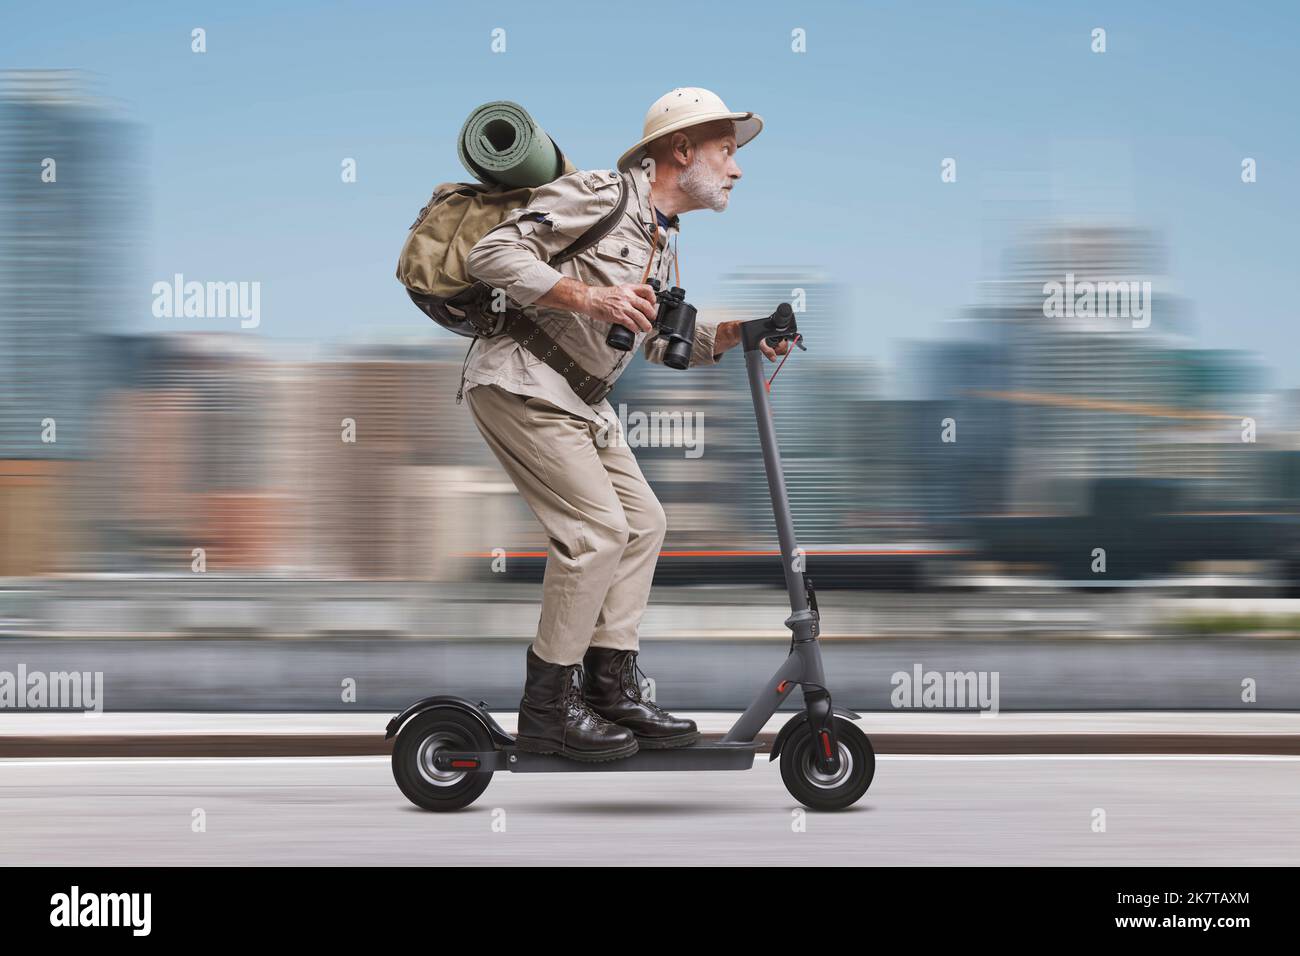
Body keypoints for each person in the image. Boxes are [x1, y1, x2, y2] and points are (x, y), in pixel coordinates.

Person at [462, 88, 789, 761]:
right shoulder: (600, 195)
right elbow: (490, 257)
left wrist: (742, 332)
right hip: (523, 380)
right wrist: (590, 293)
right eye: (727, 151)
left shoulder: (662, 241)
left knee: (645, 523)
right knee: (597, 533)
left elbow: (662, 340)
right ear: (681, 150)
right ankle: (547, 710)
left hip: (582, 400)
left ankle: (610, 691)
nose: (737, 169)